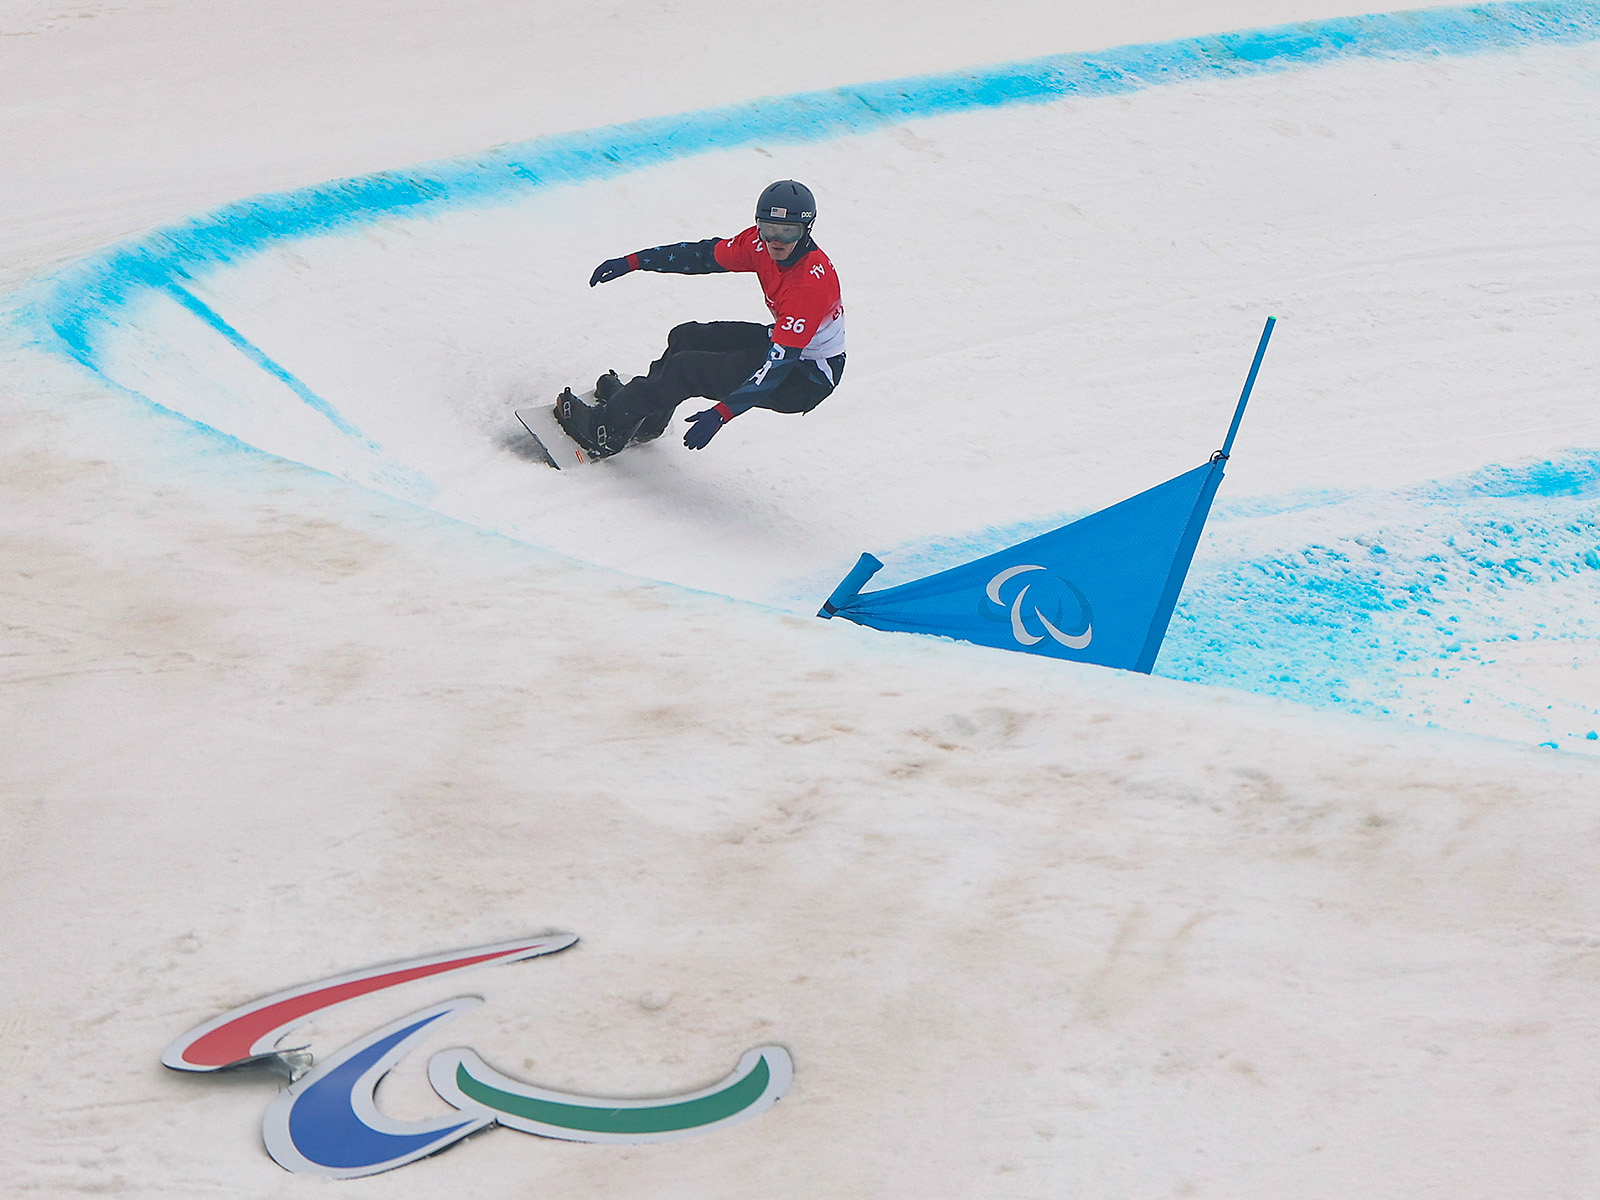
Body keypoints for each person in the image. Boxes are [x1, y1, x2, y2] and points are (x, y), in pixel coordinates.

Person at [554, 180, 845, 459]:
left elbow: (777, 366)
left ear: (807, 229)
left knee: (686, 369)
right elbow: (702, 256)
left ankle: (603, 430)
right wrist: (635, 261)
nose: (776, 241)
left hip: (806, 377)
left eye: (788, 232)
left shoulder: (808, 286)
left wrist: (723, 413)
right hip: (785, 347)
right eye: (768, 228)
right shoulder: (758, 245)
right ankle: (644, 416)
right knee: (685, 338)